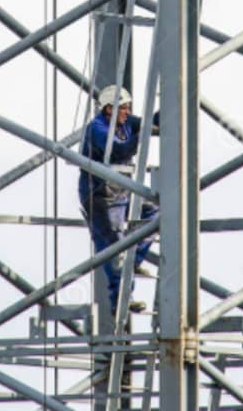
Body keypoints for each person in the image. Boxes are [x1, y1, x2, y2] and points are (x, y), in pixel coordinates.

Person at [79, 85, 160, 317]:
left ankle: (133, 260)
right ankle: (122, 300)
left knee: (154, 214)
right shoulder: (97, 128)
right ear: (107, 109)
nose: (126, 112)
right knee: (114, 247)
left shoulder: (125, 123)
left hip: (121, 192)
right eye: (122, 108)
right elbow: (119, 150)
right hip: (100, 197)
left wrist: (169, 105)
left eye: (127, 108)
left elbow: (149, 124)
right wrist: (141, 136)